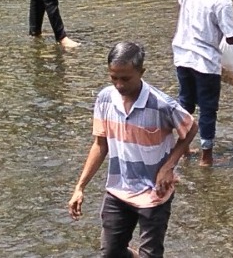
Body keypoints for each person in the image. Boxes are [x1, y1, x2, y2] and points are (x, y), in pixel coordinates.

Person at [68, 41, 197, 258]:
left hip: (154, 192)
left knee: (151, 254)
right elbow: (100, 145)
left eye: (125, 78)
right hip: (119, 189)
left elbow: (191, 127)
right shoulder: (105, 99)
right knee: (111, 253)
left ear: (141, 72)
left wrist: (169, 166)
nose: (119, 85)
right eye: (113, 77)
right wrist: (80, 187)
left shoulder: (161, 105)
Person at [171, 0, 233, 168]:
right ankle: (206, 158)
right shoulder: (222, 1)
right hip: (206, 62)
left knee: (185, 103)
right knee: (208, 109)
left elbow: (181, 3)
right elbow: (230, 38)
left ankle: (183, 149)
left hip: (182, 53)